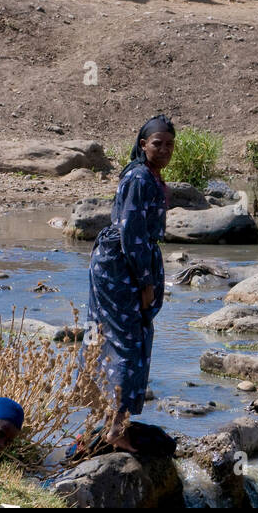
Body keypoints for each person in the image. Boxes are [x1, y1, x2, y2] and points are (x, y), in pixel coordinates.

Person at [87, 116, 172, 452]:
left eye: (169, 145)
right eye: (157, 144)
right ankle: (116, 430)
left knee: (127, 337)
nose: (164, 150)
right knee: (126, 341)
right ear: (142, 145)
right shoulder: (138, 177)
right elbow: (132, 233)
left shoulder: (150, 175)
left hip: (128, 259)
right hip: (121, 264)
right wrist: (146, 282)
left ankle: (113, 420)